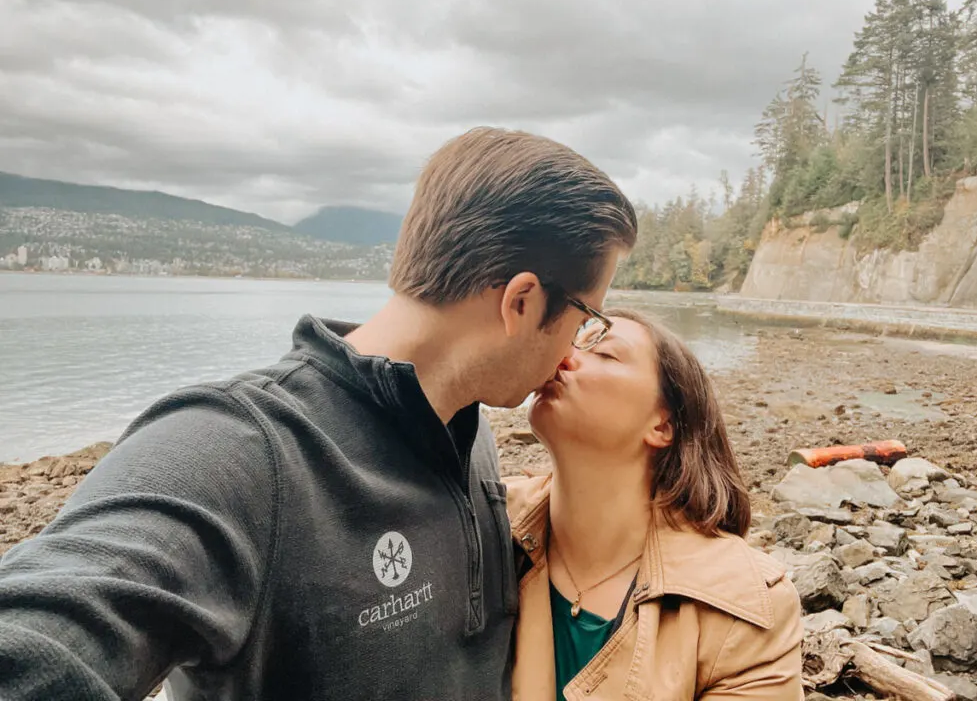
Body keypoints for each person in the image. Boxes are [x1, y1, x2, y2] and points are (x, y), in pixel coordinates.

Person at [0, 127, 637, 701]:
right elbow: (42, 640)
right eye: (588, 318)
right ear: (521, 303)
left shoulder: (470, 433)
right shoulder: (238, 452)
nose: (573, 353)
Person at [505, 308, 804, 700]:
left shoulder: (743, 606)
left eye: (606, 354)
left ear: (662, 425)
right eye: (571, 340)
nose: (561, 355)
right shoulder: (483, 523)